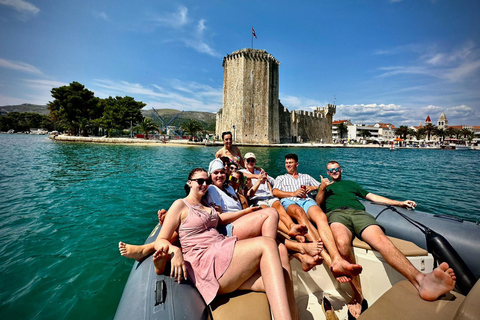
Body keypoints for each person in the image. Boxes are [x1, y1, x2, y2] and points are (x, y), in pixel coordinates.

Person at [121, 168, 298, 320]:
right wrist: (175, 251)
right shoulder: (180, 205)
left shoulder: (206, 206)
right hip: (205, 260)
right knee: (267, 244)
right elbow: (162, 238)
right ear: (189, 183)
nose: (204, 184)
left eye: (206, 181)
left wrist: (245, 211)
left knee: (281, 251)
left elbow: (219, 219)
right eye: (200, 181)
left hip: (221, 252)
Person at [316, 160, 456, 318]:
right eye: (330, 170)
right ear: (327, 173)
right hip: (337, 214)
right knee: (341, 244)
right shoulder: (324, 187)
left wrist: (399, 203)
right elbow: (318, 203)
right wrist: (321, 188)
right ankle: (358, 295)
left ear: (341, 170)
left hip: (359, 214)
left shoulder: (351, 184)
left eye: (336, 169)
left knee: (382, 241)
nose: (334, 172)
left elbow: (372, 197)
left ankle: (422, 280)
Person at [272, 154, 363, 281]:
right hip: (290, 201)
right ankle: (329, 261)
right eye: (286, 162)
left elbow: (322, 186)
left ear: (297, 164)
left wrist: (313, 187)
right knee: (299, 213)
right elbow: (275, 192)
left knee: (321, 216)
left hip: (307, 201)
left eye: (291, 162)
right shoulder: (281, 178)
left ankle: (336, 257)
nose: (288, 165)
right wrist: (293, 193)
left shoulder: (306, 177)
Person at [240, 152, 323, 270]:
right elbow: (242, 180)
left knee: (278, 207)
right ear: (244, 162)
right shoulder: (244, 174)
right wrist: (258, 179)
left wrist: (265, 180)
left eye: (252, 161)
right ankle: (296, 235)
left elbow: (272, 187)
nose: (251, 163)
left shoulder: (261, 171)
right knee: (271, 214)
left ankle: (292, 227)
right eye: (248, 161)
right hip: (257, 199)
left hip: (269, 197)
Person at [206, 158, 279, 240]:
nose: (219, 175)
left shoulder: (229, 188)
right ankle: (268, 246)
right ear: (210, 175)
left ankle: (271, 246)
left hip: (241, 221)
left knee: (281, 248)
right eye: (216, 173)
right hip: (229, 227)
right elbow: (220, 219)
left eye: (222, 172)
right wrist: (245, 211)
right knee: (271, 212)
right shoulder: (212, 189)